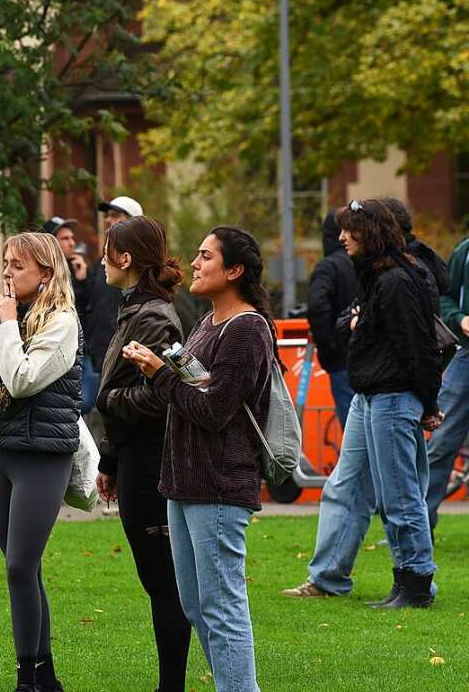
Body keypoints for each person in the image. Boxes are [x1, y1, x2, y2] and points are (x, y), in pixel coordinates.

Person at [125, 226, 276, 692]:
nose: (193, 262)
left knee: (222, 605)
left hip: (219, 483)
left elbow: (213, 409)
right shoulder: (206, 323)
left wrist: (157, 374)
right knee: (195, 605)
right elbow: (194, 392)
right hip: (184, 482)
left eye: (205, 256)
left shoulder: (248, 328)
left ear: (234, 271)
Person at [284, 199, 442, 608]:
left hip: (391, 397)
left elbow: (417, 348)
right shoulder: (379, 276)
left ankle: (416, 582)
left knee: (401, 496)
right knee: (363, 488)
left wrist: (428, 403)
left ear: (368, 233)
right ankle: (377, 579)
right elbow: (347, 323)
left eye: (348, 230)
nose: (340, 238)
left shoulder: (395, 281)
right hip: (372, 396)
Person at [0, 232, 82, 692]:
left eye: (18, 265)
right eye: (6, 264)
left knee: (20, 565)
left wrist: (6, 325)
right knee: (24, 569)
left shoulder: (62, 323)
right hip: (3, 454)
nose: (8, 273)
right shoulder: (14, 321)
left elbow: (19, 381)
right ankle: (44, 673)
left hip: (42, 457)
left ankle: (26, 679)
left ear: (46, 272)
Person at [94, 217, 191, 692]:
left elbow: (159, 396)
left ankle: (171, 684)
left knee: (164, 582)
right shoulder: (134, 309)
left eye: (106, 250)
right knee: (157, 579)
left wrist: (108, 402)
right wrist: (110, 462)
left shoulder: (153, 315)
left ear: (125, 259)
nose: (100, 259)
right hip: (133, 457)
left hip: (152, 459)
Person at [80, 196, 143, 411]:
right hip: (96, 355)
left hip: (125, 361)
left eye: (115, 215)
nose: (108, 220)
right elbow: (91, 304)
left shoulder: (141, 264)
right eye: (107, 216)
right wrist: (81, 282)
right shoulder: (102, 262)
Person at [426, 232, 469, 530]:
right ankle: (418, 528)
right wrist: (460, 318)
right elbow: (445, 297)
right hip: (466, 356)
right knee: (440, 442)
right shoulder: (465, 251)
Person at [306, 211, 359, 427]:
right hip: (371, 358)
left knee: (353, 429)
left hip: (341, 359)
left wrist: (329, 345)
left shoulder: (327, 267)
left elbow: (317, 306)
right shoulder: (367, 262)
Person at [42, 216, 90, 319]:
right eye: (65, 238)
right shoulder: (40, 272)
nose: (72, 243)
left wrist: (81, 282)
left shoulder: (77, 267)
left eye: (72, 238)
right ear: (50, 244)